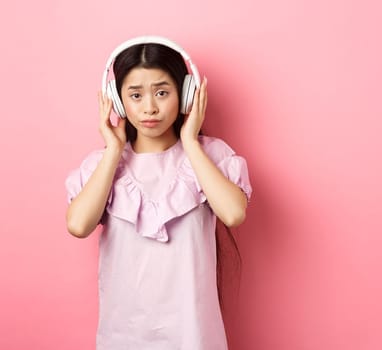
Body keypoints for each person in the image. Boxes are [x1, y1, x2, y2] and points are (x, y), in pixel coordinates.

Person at [64, 36, 252, 349]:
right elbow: (78, 225)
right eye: (135, 95)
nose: (149, 107)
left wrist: (190, 142)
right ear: (118, 100)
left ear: (186, 94)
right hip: (124, 333)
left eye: (162, 92)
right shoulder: (102, 165)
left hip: (193, 333)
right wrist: (113, 149)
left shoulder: (211, 156)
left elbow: (233, 213)